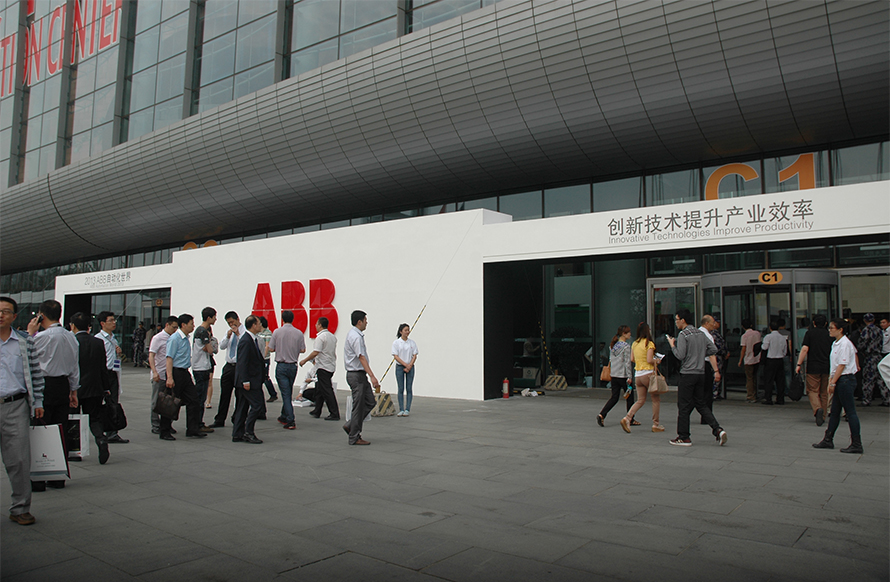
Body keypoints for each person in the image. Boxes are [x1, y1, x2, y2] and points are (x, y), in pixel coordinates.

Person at [0, 297, 44, 526]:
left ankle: (20, 508)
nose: (0, 315)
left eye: (6, 311)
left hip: (15, 405)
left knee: (18, 460)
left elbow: (36, 373)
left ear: (14, 317)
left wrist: (38, 402)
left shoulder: (25, 342)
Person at [27, 300, 79, 488]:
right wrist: (74, 390)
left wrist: (30, 333)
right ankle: (57, 477)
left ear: (41, 315)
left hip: (43, 385)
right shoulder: (70, 336)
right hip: (63, 384)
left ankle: (38, 479)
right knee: (60, 430)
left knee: (39, 430)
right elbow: (75, 366)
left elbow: (25, 357)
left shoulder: (40, 337)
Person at [667, 309, 726, 446]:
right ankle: (717, 429)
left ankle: (684, 437)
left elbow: (680, 355)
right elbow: (714, 349)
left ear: (683, 320)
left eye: (677, 319)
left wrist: (672, 345)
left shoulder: (684, 334)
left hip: (688, 373)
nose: (676, 322)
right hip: (700, 373)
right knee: (701, 403)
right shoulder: (701, 334)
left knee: (683, 406)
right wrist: (700, 354)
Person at [813, 318, 863, 453]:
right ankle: (828, 438)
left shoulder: (844, 344)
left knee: (850, 412)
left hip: (845, 379)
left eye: (832, 328)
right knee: (835, 411)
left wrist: (832, 382)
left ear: (840, 330)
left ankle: (856, 443)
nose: (829, 330)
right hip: (841, 379)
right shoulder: (837, 343)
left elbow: (842, 365)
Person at [70, 312, 111, 465]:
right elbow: (103, 368)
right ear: (89, 326)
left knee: (73, 418)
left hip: (75, 388)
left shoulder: (71, 342)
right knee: (94, 418)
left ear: (72, 326)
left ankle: (75, 451)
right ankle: (101, 439)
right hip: (95, 387)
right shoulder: (98, 342)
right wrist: (106, 387)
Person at [162, 314, 204, 440]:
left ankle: (192, 429)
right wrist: (170, 377)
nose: (193, 326)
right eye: (191, 324)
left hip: (185, 373)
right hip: (176, 372)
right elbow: (169, 358)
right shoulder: (174, 339)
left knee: (193, 400)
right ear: (184, 325)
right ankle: (164, 431)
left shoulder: (185, 338)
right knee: (170, 402)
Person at [343, 310, 379, 446]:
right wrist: (372, 376)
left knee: (370, 401)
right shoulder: (356, 337)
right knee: (358, 406)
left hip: (359, 375)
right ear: (359, 322)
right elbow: (361, 357)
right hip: (356, 374)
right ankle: (354, 436)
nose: (366, 322)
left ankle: (351, 425)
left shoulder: (355, 334)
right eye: (365, 320)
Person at [619, 323, 663, 432]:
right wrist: (657, 361)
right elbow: (649, 360)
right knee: (655, 399)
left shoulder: (635, 343)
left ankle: (627, 418)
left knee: (640, 400)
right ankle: (656, 424)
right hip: (648, 374)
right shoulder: (649, 343)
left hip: (638, 375)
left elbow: (632, 359)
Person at [267, 310, 306, 430]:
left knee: (286, 394)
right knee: (288, 391)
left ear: (282, 319)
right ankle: (284, 415)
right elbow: (303, 350)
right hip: (293, 366)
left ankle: (290, 419)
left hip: (282, 365)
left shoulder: (277, 332)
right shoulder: (299, 333)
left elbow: (271, 348)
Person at [232, 315, 266, 444]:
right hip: (248, 381)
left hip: (250, 380)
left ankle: (237, 433)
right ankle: (248, 432)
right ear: (253, 325)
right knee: (257, 405)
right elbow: (242, 362)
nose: (260, 326)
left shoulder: (252, 339)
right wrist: (245, 380)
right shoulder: (246, 340)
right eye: (259, 323)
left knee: (242, 407)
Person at [96, 311, 128, 443]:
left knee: (113, 403)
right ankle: (101, 430)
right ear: (102, 323)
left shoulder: (113, 338)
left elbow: (114, 359)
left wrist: (118, 354)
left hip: (113, 373)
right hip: (103, 373)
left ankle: (112, 432)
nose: (114, 323)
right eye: (111, 320)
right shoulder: (98, 339)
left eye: (114, 320)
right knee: (101, 403)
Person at [796, 315, 832, 425]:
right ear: (826, 323)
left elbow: (805, 349)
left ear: (814, 323)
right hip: (827, 366)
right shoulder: (829, 334)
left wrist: (799, 364)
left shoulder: (810, 333)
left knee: (812, 390)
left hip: (813, 366)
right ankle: (823, 415)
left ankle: (817, 409)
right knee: (824, 392)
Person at [301, 316, 338, 421]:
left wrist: (305, 360)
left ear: (320, 325)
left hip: (323, 366)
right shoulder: (332, 336)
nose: (316, 326)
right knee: (319, 389)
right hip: (330, 365)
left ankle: (334, 413)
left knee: (327, 390)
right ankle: (317, 410)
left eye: (317, 324)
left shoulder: (320, 337)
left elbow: (316, 352)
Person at [211, 311, 245, 428]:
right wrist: (228, 336)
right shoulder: (228, 332)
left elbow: (244, 345)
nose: (231, 324)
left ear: (238, 319)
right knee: (225, 394)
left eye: (232, 322)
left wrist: (238, 335)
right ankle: (220, 419)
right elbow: (222, 346)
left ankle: (237, 418)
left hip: (239, 366)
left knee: (239, 394)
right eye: (229, 323)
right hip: (229, 366)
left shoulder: (244, 331)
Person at [596, 325, 633, 427]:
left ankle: (602, 414)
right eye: (628, 332)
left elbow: (611, 360)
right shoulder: (626, 346)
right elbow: (627, 362)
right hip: (623, 375)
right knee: (630, 397)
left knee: (614, 397)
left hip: (614, 375)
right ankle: (630, 418)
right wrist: (630, 376)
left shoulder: (613, 345)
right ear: (623, 334)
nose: (630, 334)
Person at [149, 317, 178, 435]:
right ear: (167, 325)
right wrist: (154, 372)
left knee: (169, 401)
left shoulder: (174, 338)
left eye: (177, 328)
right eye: (173, 327)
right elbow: (151, 356)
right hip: (160, 374)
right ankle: (155, 425)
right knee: (156, 400)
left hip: (170, 374)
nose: (175, 330)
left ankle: (166, 424)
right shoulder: (158, 338)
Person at [191, 307, 217, 432]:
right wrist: (210, 345)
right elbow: (211, 350)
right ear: (208, 318)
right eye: (214, 317)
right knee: (200, 398)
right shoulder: (203, 332)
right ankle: (198, 424)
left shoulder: (200, 331)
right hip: (201, 368)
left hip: (200, 367)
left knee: (201, 397)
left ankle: (198, 423)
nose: (215, 319)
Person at [857, 313, 888, 406]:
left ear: (865, 320)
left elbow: (863, 343)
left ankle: (866, 400)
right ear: (874, 320)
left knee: (868, 379)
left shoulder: (866, 330)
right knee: (881, 379)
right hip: (878, 356)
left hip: (870, 357)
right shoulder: (879, 330)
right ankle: (887, 398)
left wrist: (860, 349)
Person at [392, 323, 419, 417]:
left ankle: (407, 409)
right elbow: (396, 356)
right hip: (400, 367)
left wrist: (409, 365)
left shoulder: (412, 343)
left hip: (410, 367)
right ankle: (401, 409)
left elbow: (414, 355)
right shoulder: (396, 343)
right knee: (400, 388)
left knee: (409, 388)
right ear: (401, 332)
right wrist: (405, 365)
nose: (407, 332)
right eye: (405, 330)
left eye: (408, 330)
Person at [760, 320, 788, 405]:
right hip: (780, 360)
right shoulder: (782, 338)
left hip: (770, 360)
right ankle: (780, 398)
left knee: (769, 380)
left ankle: (768, 398)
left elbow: (764, 347)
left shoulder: (768, 337)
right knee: (780, 381)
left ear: (770, 328)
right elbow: (785, 351)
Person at [738, 318, 761, 403]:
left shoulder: (744, 336)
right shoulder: (757, 333)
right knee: (755, 377)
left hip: (748, 359)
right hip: (757, 358)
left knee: (749, 378)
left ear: (742, 326)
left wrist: (740, 360)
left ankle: (750, 396)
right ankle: (755, 393)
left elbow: (743, 349)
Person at [256, 316, 277, 405]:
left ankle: (273, 394)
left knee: (265, 377)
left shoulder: (268, 333)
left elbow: (267, 346)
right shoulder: (257, 333)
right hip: (258, 358)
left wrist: (263, 357)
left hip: (265, 358)